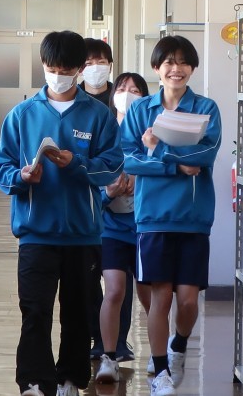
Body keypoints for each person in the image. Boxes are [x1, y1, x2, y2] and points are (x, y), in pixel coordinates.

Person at [0, 30, 124, 396]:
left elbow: (113, 166)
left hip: (83, 234)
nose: (58, 75)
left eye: (66, 69)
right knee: (35, 311)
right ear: (43, 65)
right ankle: (34, 381)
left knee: (77, 313)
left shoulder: (98, 116)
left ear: (80, 69)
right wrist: (20, 177)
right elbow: (0, 165)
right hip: (36, 232)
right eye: (52, 68)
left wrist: (75, 163)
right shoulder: (22, 115)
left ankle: (70, 379)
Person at [119, 35, 222, 396]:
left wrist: (156, 148)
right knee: (160, 297)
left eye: (183, 62)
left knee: (189, 300)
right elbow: (127, 160)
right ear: (156, 68)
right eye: (168, 62)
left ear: (192, 68)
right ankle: (160, 371)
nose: (176, 69)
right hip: (153, 217)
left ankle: (179, 343)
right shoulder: (139, 110)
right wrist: (174, 164)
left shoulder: (206, 107)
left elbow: (205, 156)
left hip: (193, 216)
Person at [79, 38, 136, 363]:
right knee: (88, 282)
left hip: (121, 213)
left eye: (101, 61)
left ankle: (117, 343)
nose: (95, 68)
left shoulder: (123, 99)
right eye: (88, 63)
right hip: (88, 208)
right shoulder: (74, 103)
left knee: (119, 283)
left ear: (110, 64)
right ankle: (96, 339)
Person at [95, 73, 152, 385]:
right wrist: (110, 191)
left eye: (135, 90)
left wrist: (139, 183)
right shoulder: (104, 131)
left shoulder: (151, 132)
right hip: (112, 226)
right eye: (121, 88)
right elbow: (92, 178)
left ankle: (160, 355)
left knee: (149, 295)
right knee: (115, 290)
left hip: (145, 227)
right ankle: (109, 357)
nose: (127, 94)